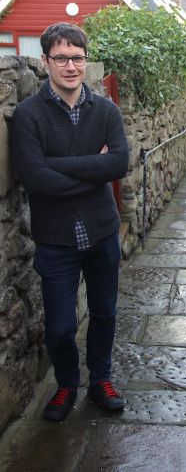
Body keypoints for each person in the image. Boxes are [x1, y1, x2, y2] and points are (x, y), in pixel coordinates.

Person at [9, 23, 129, 422]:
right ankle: (66, 384)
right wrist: (93, 169)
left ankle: (101, 379)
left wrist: (58, 166)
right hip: (56, 238)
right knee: (60, 327)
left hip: (101, 232)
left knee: (104, 313)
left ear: (85, 60)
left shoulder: (106, 110)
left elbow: (118, 163)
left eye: (77, 57)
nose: (71, 66)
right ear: (45, 62)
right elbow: (35, 179)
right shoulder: (28, 116)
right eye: (61, 58)